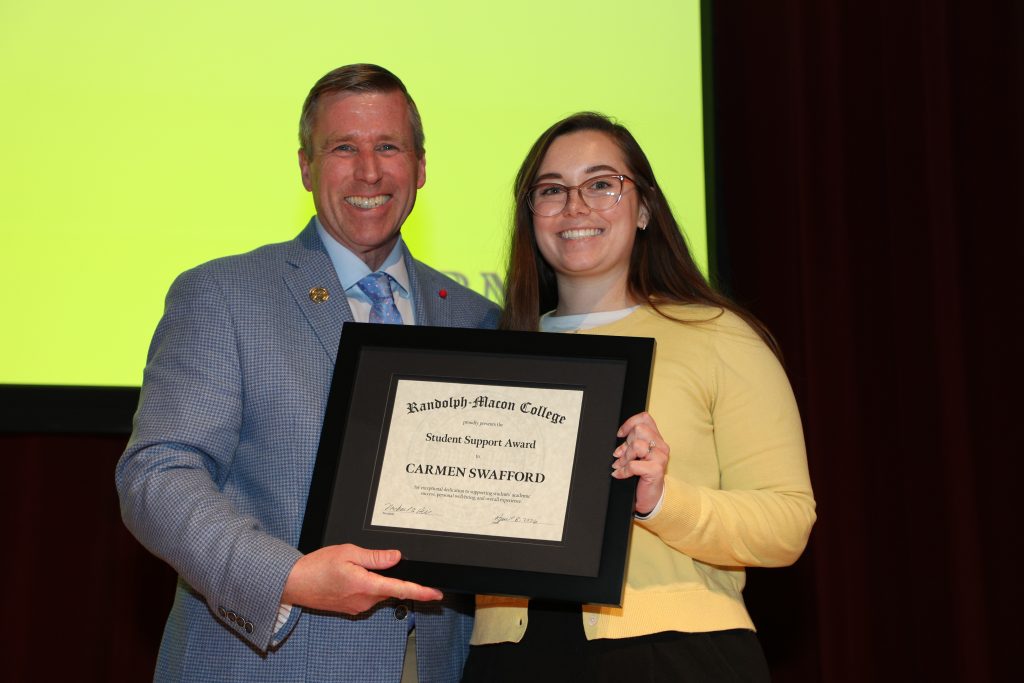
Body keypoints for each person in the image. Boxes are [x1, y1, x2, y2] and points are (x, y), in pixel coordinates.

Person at [116, 64, 499, 682]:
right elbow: (157, 476)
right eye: (343, 147)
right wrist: (289, 579)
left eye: (388, 147)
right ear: (305, 167)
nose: (368, 171)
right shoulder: (224, 295)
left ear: (421, 168)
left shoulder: (480, 321)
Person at [461, 113, 816, 682]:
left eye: (602, 184)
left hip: (678, 656)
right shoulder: (493, 354)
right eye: (552, 190)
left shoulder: (718, 336)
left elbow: (786, 522)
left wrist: (659, 500)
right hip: (509, 658)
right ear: (531, 217)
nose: (576, 206)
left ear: (644, 208)